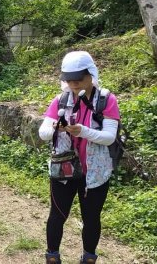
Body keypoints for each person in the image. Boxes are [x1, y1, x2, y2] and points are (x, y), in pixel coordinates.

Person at [38, 51, 120, 264]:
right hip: (63, 170)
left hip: (96, 172)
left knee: (91, 219)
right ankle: (52, 257)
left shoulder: (106, 100)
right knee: (57, 215)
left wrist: (82, 130)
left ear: (91, 74)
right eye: (69, 80)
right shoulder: (60, 100)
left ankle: (89, 258)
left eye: (79, 79)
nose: (73, 84)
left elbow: (109, 137)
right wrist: (60, 127)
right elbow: (44, 132)